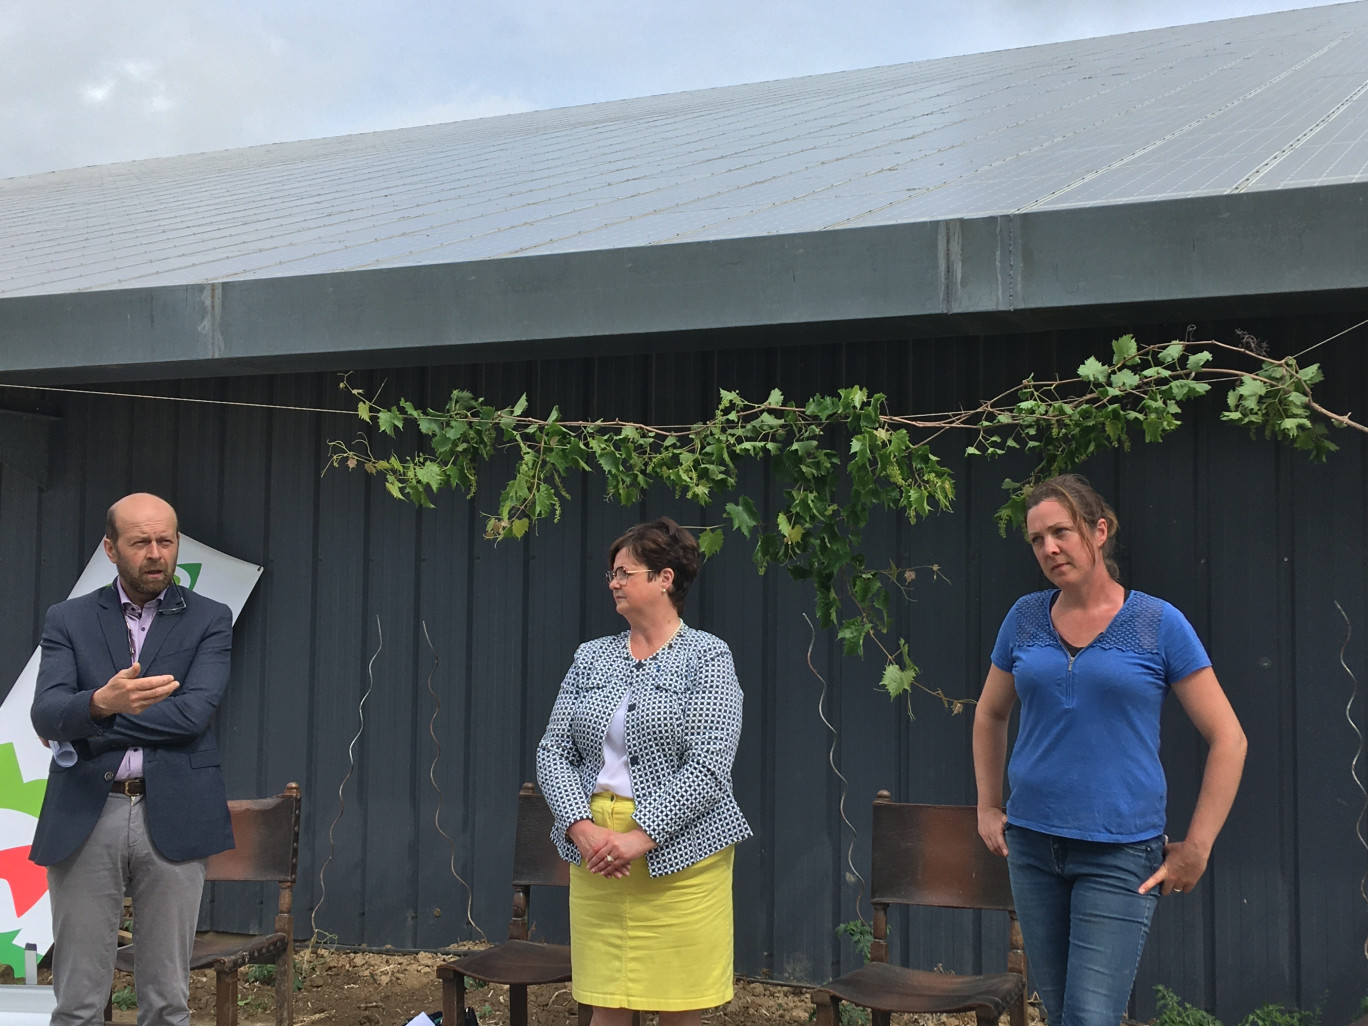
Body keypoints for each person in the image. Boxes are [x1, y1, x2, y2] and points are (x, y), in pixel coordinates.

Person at [973, 474, 1246, 1026]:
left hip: (1119, 853)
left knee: (1090, 1016)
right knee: (1060, 1011)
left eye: (1062, 532)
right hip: (1032, 847)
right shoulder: (1024, 619)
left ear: (1099, 531)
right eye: (1036, 539)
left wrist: (1198, 847)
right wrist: (987, 804)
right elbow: (989, 713)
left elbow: (1229, 738)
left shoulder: (1158, 624)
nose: (1049, 548)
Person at [536, 516, 752, 1026]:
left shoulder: (708, 657)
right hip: (597, 860)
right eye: (611, 573)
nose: (612, 581)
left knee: (679, 1010)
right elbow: (552, 751)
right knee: (606, 1007)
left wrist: (639, 837)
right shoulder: (591, 657)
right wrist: (580, 827)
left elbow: (709, 766)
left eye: (624, 572)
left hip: (682, 861)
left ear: (664, 578)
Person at [30, 493, 235, 1026]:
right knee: (77, 1002)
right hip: (85, 814)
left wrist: (94, 720)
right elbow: (47, 715)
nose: (155, 553)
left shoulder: (211, 619)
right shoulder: (68, 619)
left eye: (165, 541)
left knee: (168, 1001)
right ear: (110, 548)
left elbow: (193, 716)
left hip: (175, 810)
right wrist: (99, 701)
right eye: (140, 542)